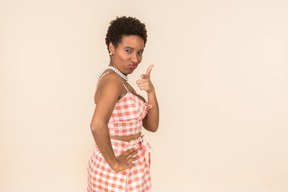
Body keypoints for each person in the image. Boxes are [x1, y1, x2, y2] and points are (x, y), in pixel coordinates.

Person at [87, 16, 159, 192]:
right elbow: (97, 125)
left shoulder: (121, 80)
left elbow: (151, 126)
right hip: (115, 170)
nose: (135, 59)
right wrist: (115, 163)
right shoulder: (113, 80)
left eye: (139, 52)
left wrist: (151, 92)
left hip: (132, 164)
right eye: (128, 50)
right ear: (112, 47)